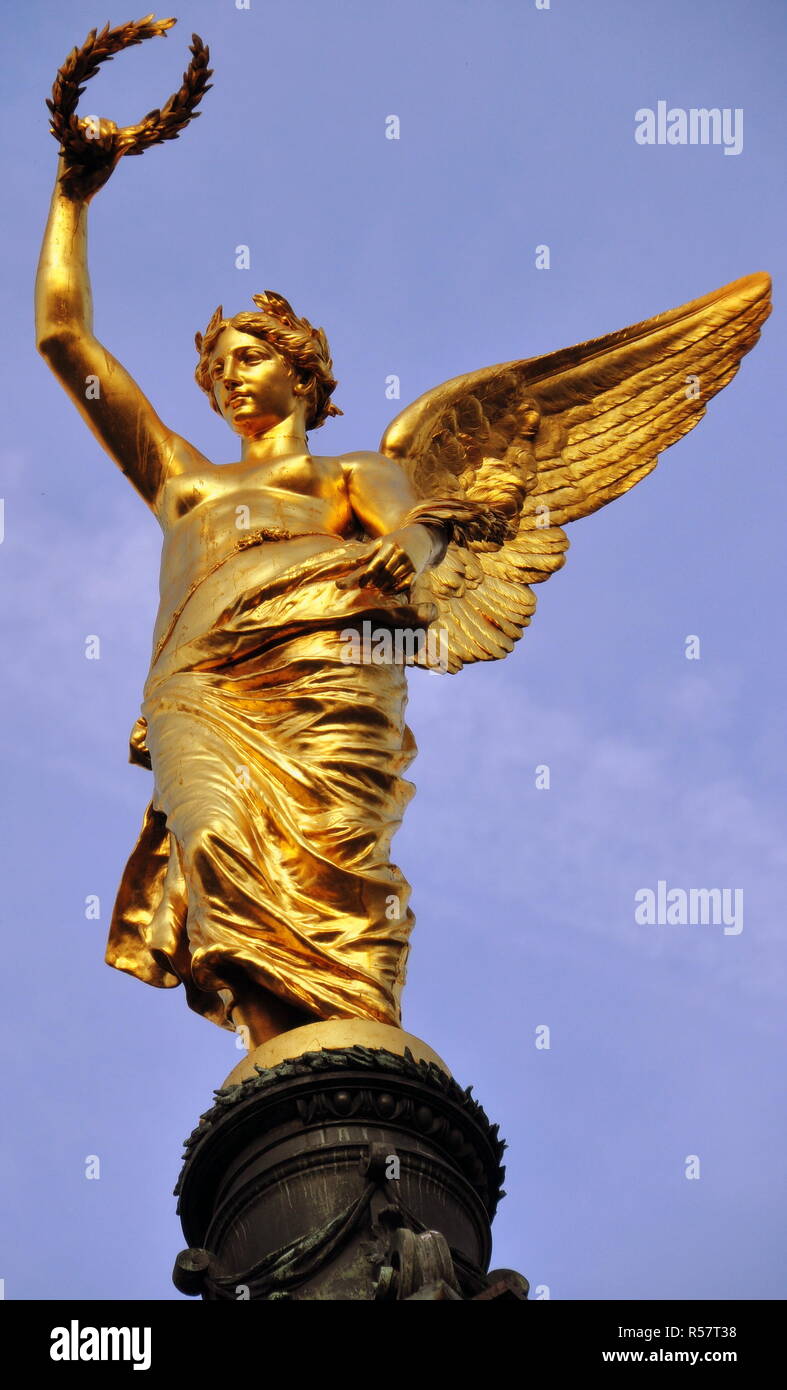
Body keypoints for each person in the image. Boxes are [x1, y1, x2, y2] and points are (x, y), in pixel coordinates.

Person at [35, 136, 459, 1047]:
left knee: (336, 856)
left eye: (249, 357)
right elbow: (63, 341)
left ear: (302, 369)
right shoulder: (181, 481)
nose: (228, 376)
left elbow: (427, 529)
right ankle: (274, 1059)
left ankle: (353, 1038)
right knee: (217, 844)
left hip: (327, 663)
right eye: (216, 367)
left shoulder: (350, 473)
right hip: (203, 687)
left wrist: (410, 556)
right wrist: (72, 196)